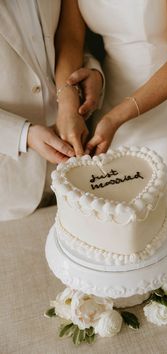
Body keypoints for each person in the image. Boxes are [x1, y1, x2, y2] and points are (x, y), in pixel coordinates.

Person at [56, 0, 167, 182]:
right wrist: (67, 104)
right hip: (111, 104)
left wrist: (116, 118)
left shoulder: (114, 120)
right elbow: (70, 38)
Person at [0, 0, 104, 221]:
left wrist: (91, 72)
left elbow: (64, 39)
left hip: (81, 171)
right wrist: (23, 134)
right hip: (8, 192)